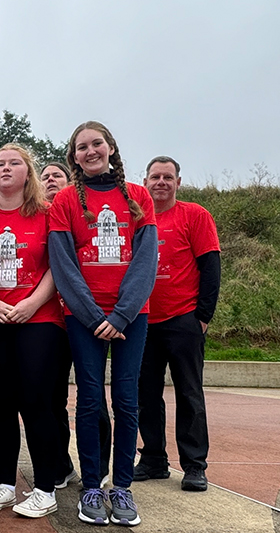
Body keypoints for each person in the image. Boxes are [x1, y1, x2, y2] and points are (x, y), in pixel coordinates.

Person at [48, 122, 157, 527]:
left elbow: (146, 262)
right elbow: (64, 265)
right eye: (82, 147)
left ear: (110, 147)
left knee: (127, 400)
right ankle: (92, 485)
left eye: (97, 143)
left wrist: (121, 314)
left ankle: (123, 489)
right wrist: (96, 317)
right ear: (74, 156)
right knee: (90, 400)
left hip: (131, 317)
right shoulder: (64, 202)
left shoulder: (139, 198)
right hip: (84, 318)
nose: (91, 151)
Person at [0, 145, 66, 518]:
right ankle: (5, 485)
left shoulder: (47, 214)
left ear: (30, 172)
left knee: (37, 403)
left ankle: (44, 488)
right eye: (0, 164)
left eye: (15, 163)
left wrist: (30, 304)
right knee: (0, 406)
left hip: (39, 321)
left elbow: (58, 267)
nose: (6, 168)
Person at [136, 156, 219, 492]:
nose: (161, 182)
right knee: (145, 394)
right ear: (146, 181)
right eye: (155, 177)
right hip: (143, 320)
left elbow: (210, 267)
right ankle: (154, 458)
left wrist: (202, 316)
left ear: (178, 182)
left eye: (167, 177)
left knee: (188, 392)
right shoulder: (137, 218)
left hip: (183, 319)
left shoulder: (194, 215)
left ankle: (194, 465)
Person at [42, 161, 112, 490]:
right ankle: (61, 465)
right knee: (52, 398)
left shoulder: (81, 211)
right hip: (51, 323)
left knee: (92, 394)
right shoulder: (38, 215)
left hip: (86, 316)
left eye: (57, 175)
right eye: (45, 176)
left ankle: (98, 469)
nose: (51, 180)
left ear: (69, 180)